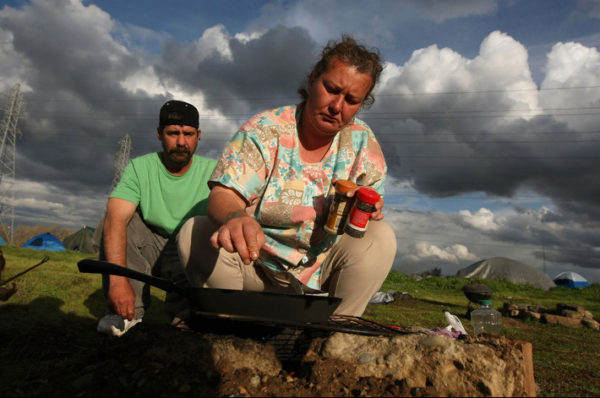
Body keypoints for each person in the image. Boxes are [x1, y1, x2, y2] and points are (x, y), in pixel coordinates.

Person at [177, 36, 396, 317]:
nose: (337, 107)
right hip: (254, 264)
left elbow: (366, 214)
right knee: (196, 231)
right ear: (312, 81)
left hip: (318, 273)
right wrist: (236, 218)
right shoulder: (266, 129)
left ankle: (334, 338)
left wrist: (369, 209)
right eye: (331, 89)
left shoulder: (364, 145)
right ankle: (230, 330)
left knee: (381, 236)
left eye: (352, 100)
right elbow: (224, 194)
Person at [94, 100, 217, 336]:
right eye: (173, 133)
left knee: (202, 228)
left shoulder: (214, 171)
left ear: (198, 135)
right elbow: (115, 219)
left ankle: (186, 316)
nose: (181, 142)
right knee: (115, 219)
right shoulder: (140, 167)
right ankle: (127, 314)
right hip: (150, 246)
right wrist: (118, 281)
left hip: (190, 250)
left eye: (188, 134)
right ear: (159, 134)